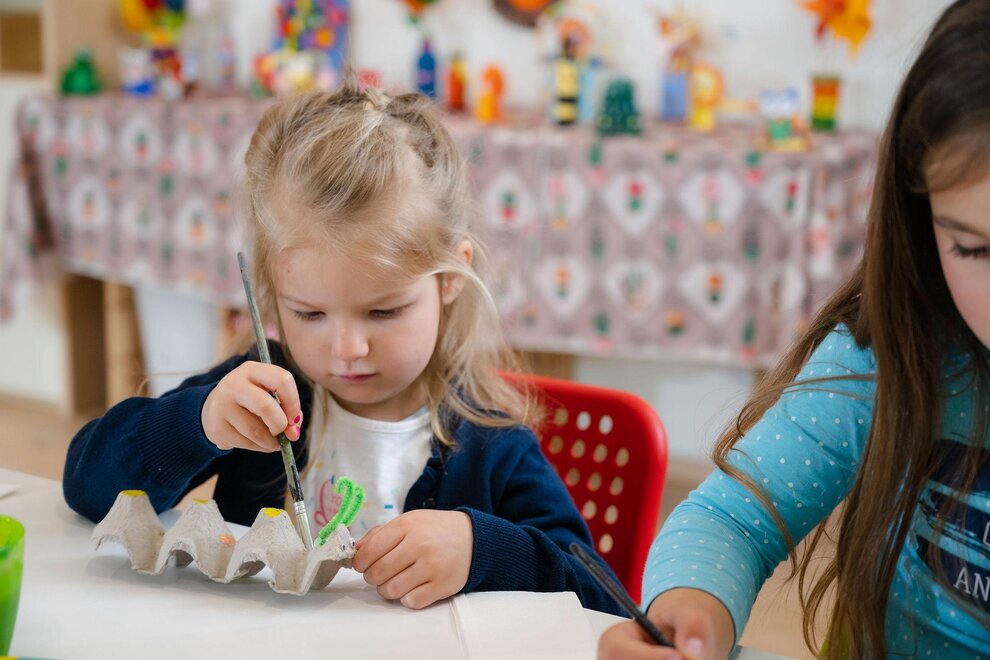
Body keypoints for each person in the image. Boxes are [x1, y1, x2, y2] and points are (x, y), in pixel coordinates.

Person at [63, 82, 623, 616]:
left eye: (384, 311)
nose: (348, 348)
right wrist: (198, 425)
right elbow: (87, 489)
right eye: (309, 314)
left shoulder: (490, 446)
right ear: (272, 292)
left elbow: (601, 601)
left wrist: (480, 551)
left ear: (451, 276)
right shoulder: (257, 391)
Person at [600, 0, 990, 657]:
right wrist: (690, 619)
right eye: (973, 249)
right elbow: (731, 520)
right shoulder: (895, 355)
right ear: (922, 227)